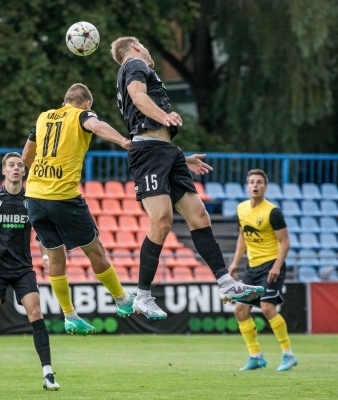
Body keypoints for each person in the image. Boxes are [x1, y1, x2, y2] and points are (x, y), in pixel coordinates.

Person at [110, 36, 264, 319]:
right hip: (148, 153)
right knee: (163, 220)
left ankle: (226, 282)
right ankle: (143, 295)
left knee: (199, 216)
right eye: (143, 44)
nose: (146, 49)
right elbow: (138, 97)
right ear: (134, 47)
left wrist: (180, 156)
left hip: (166, 152)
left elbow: (149, 119)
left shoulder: (139, 68)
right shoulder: (133, 63)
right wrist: (165, 116)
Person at [21, 83, 135, 336]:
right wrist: (123, 141)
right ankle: (122, 300)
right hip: (63, 197)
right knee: (95, 250)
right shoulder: (81, 115)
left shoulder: (43, 118)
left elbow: (26, 156)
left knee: (55, 258)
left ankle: (70, 316)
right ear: (87, 104)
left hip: (35, 196)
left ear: (64, 102)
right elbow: (96, 126)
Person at [0, 152, 60, 392]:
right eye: (11, 165)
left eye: (20, 165)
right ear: (4, 171)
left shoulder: (32, 200)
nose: (16, 168)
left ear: (24, 171)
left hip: (22, 269)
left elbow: (40, 234)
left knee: (36, 312)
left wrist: (46, 256)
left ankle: (48, 374)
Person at [228, 169, 298, 372]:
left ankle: (288, 355)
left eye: (259, 182)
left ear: (265, 187)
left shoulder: (273, 212)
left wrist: (276, 266)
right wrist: (234, 262)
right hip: (252, 267)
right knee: (240, 311)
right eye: (252, 182)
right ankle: (255, 356)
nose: (255, 185)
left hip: (271, 266)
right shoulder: (241, 209)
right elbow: (243, 236)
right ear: (247, 186)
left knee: (267, 308)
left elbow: (285, 243)